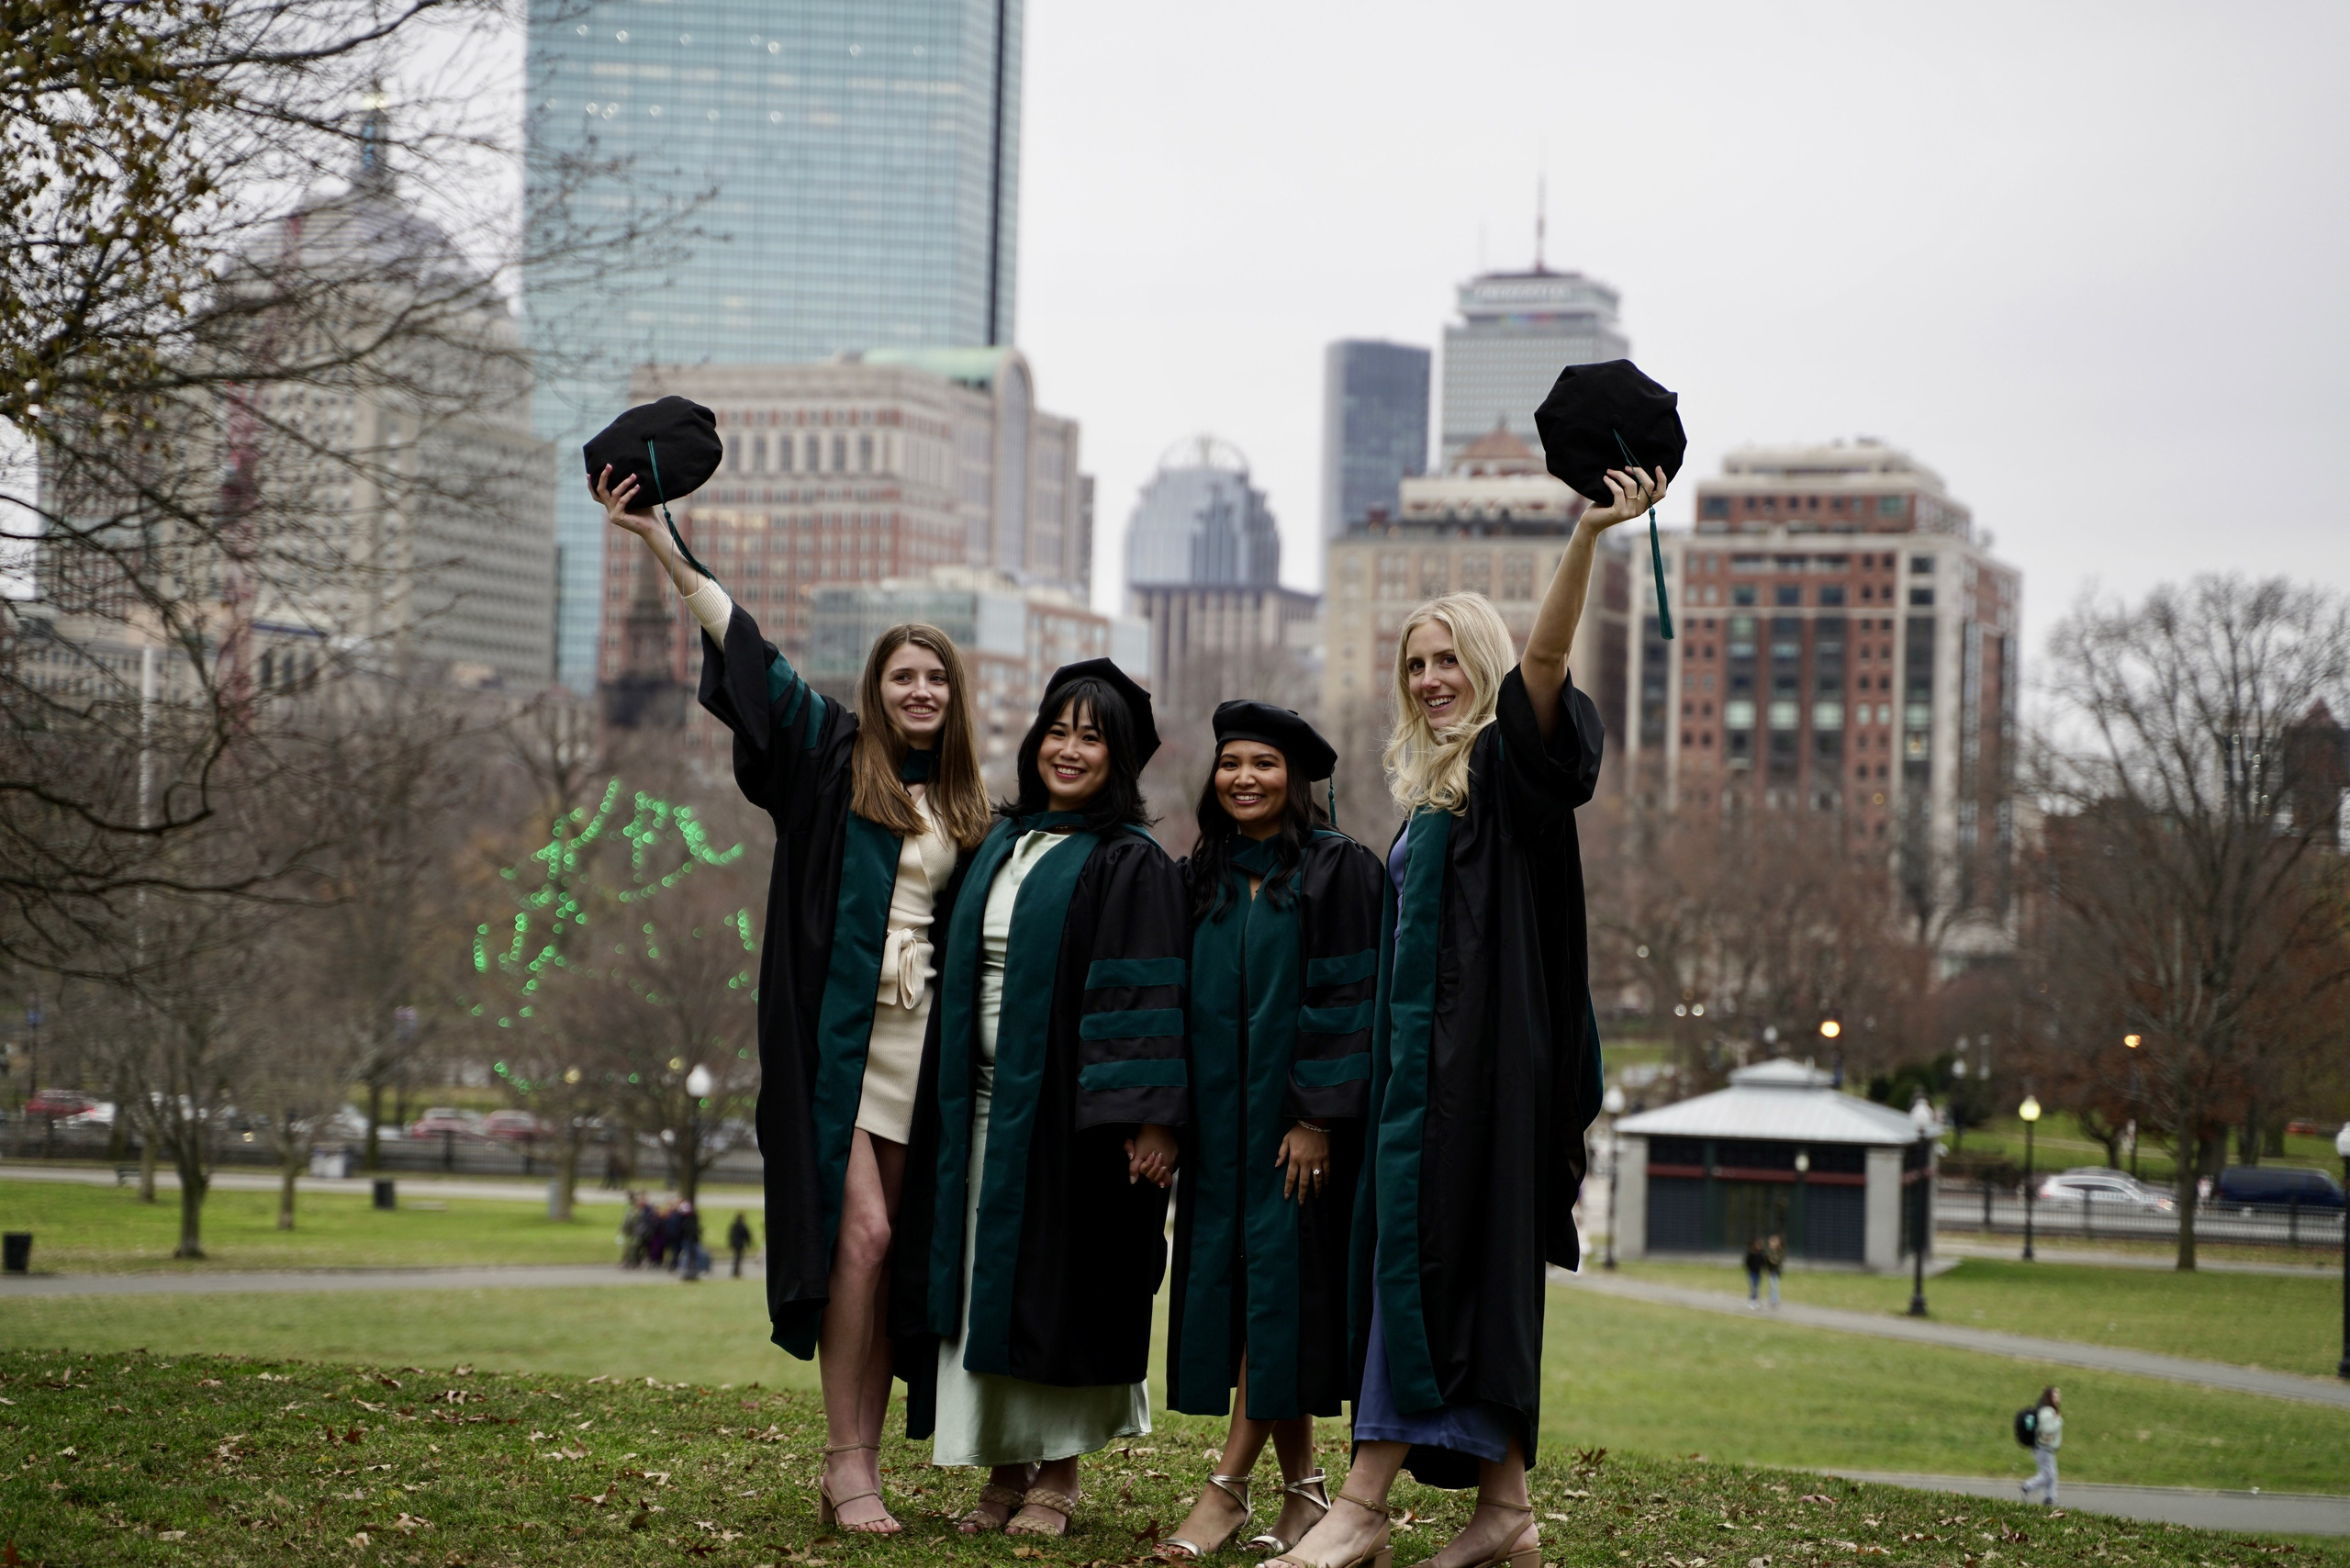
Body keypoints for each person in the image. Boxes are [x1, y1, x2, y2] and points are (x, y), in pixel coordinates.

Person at [1272, 465, 1662, 1568]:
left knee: (1428, 1270)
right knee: (1450, 1277)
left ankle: (1358, 1505)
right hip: (1417, 1085)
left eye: (1449, 659)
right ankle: (1506, 1513)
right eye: (1416, 664)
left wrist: (1587, 533)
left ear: (1483, 664)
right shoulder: (1430, 789)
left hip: (1481, 1080)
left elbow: (1547, 663)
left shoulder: (1507, 768)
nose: (1432, 677)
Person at [599, 465, 993, 1534]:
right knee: (856, 1241)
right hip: (839, 1052)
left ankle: (858, 1471)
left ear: (955, 698)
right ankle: (845, 1460)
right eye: (904, 675)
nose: (920, 691)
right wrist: (662, 546)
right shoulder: (829, 758)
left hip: (926, 1053)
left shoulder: (968, 805)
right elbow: (750, 656)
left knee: (894, 1254)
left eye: (936, 679)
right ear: (877, 688)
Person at [892, 659, 1189, 1540]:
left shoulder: (1129, 862)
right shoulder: (1000, 838)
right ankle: (1002, 1470)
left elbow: (1149, 999)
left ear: (1119, 755)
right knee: (984, 1289)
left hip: (1071, 1125)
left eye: (1092, 737)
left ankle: (1056, 1475)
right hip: (974, 1109)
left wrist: (1150, 1116)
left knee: (1061, 1288)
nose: (1069, 749)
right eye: (1058, 730)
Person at [1156, 703, 1382, 1562]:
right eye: (1230, 764)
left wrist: (1317, 1115)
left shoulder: (1340, 872)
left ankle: (1226, 1489)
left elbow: (1349, 999)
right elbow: (1176, 1006)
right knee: (1256, 1309)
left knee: (1273, 1306)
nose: (1244, 778)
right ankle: (1304, 1498)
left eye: (1265, 764)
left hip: (1297, 1140)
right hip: (1218, 1136)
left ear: (1298, 781)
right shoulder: (1198, 877)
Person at [2020, 1385, 2062, 1505]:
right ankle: (2027, 1487)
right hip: (2043, 1448)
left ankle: (2050, 1498)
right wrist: (2058, 1421)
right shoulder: (2047, 1412)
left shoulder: (2047, 1411)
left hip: (2045, 1447)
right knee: (2048, 1474)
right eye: (2055, 1395)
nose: (2058, 1397)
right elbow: (2047, 1429)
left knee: (2052, 1474)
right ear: (2050, 1397)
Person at [729, 1212, 756, 1279]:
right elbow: (747, 1235)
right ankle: (737, 1272)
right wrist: (749, 1243)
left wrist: (731, 1243)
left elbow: (731, 1235)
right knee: (739, 1258)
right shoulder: (742, 1226)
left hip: (735, 1244)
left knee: (736, 1258)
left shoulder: (734, 1226)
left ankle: (735, 1272)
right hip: (740, 1244)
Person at [1743, 1235, 1768, 1309]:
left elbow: (1763, 1263)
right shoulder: (1750, 1254)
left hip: (1758, 1273)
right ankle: (1753, 1301)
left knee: (1756, 1287)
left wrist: (1765, 1269)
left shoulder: (1760, 1254)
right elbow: (1747, 1263)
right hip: (1752, 1273)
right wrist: (1749, 1269)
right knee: (1754, 1287)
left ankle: (1753, 1300)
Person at [1763, 1232, 1785, 1310]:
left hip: (1776, 1271)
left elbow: (1778, 1262)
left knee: (1775, 1286)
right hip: (1771, 1271)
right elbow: (1767, 1262)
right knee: (1773, 1286)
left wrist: (1780, 1271)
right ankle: (1773, 1300)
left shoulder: (1779, 1252)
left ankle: (1774, 1300)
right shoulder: (1768, 1252)